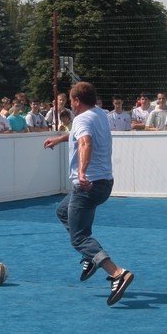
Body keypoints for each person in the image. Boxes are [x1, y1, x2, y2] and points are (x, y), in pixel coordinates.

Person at [43, 82, 134, 306]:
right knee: (62, 210)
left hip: (87, 185)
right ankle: (91, 257)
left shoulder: (81, 119)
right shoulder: (100, 114)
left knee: (79, 237)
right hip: (104, 183)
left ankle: (117, 273)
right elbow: (78, 135)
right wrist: (59, 139)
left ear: (75, 101)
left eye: (71, 101)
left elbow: (85, 142)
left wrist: (82, 172)